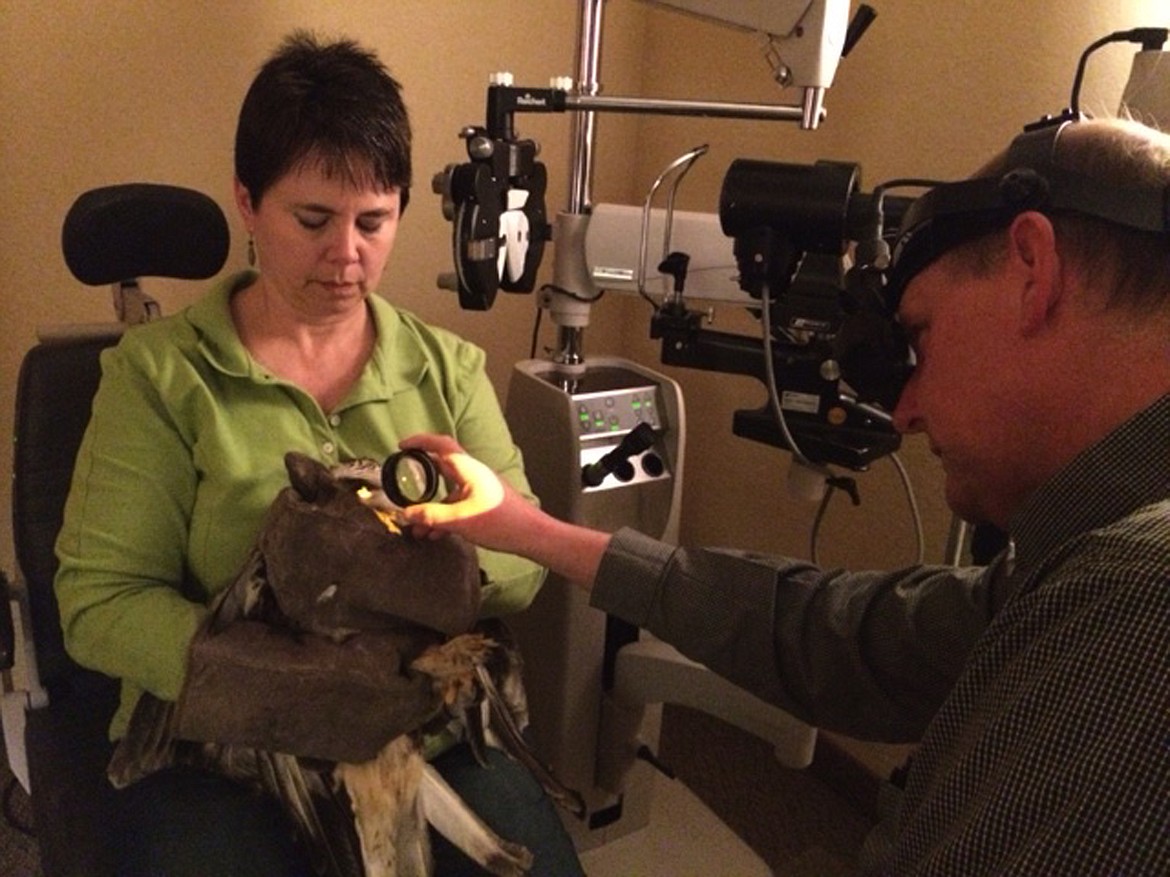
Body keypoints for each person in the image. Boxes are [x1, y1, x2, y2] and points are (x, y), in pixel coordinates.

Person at [397, 116, 1170, 875]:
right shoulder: (1074, 560)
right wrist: (530, 527)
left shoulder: (1135, 599)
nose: (902, 412)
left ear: (1034, 269)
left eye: (921, 337)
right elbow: (851, 637)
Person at [54, 31, 583, 877]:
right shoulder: (161, 377)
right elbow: (97, 601)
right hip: (216, 743)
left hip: (418, 732)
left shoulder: (445, 369)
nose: (346, 256)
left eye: (374, 222)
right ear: (247, 201)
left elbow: (523, 564)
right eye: (313, 220)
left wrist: (425, 573)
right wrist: (278, 680)